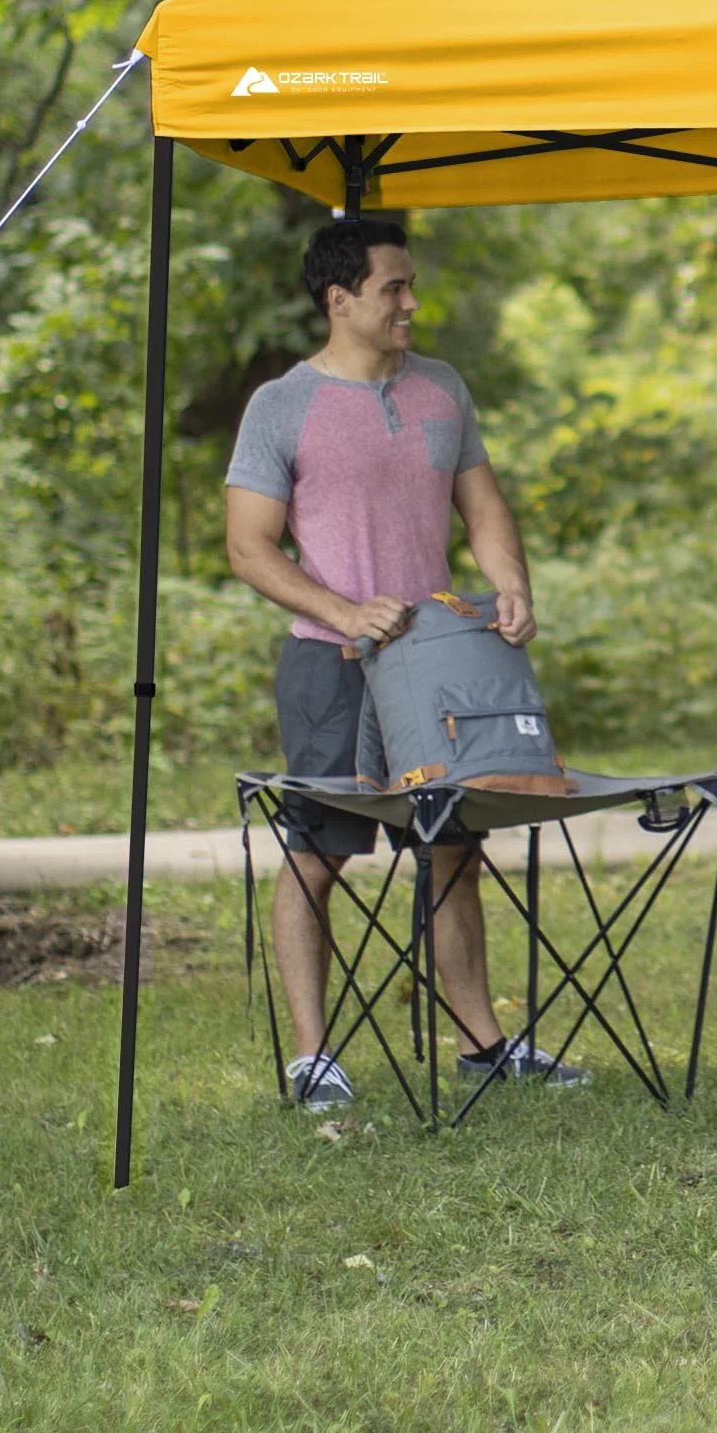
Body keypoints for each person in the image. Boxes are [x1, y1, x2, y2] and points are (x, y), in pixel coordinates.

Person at [223, 215, 585, 1111]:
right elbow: (248, 547)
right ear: (339, 300)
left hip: (437, 667)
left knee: (453, 849)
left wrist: (511, 586)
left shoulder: (442, 389)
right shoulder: (282, 404)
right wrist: (343, 610)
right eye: (394, 288)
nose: (412, 303)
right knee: (317, 854)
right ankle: (314, 1058)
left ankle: (481, 1046)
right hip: (330, 667)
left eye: (411, 285)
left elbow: (485, 507)